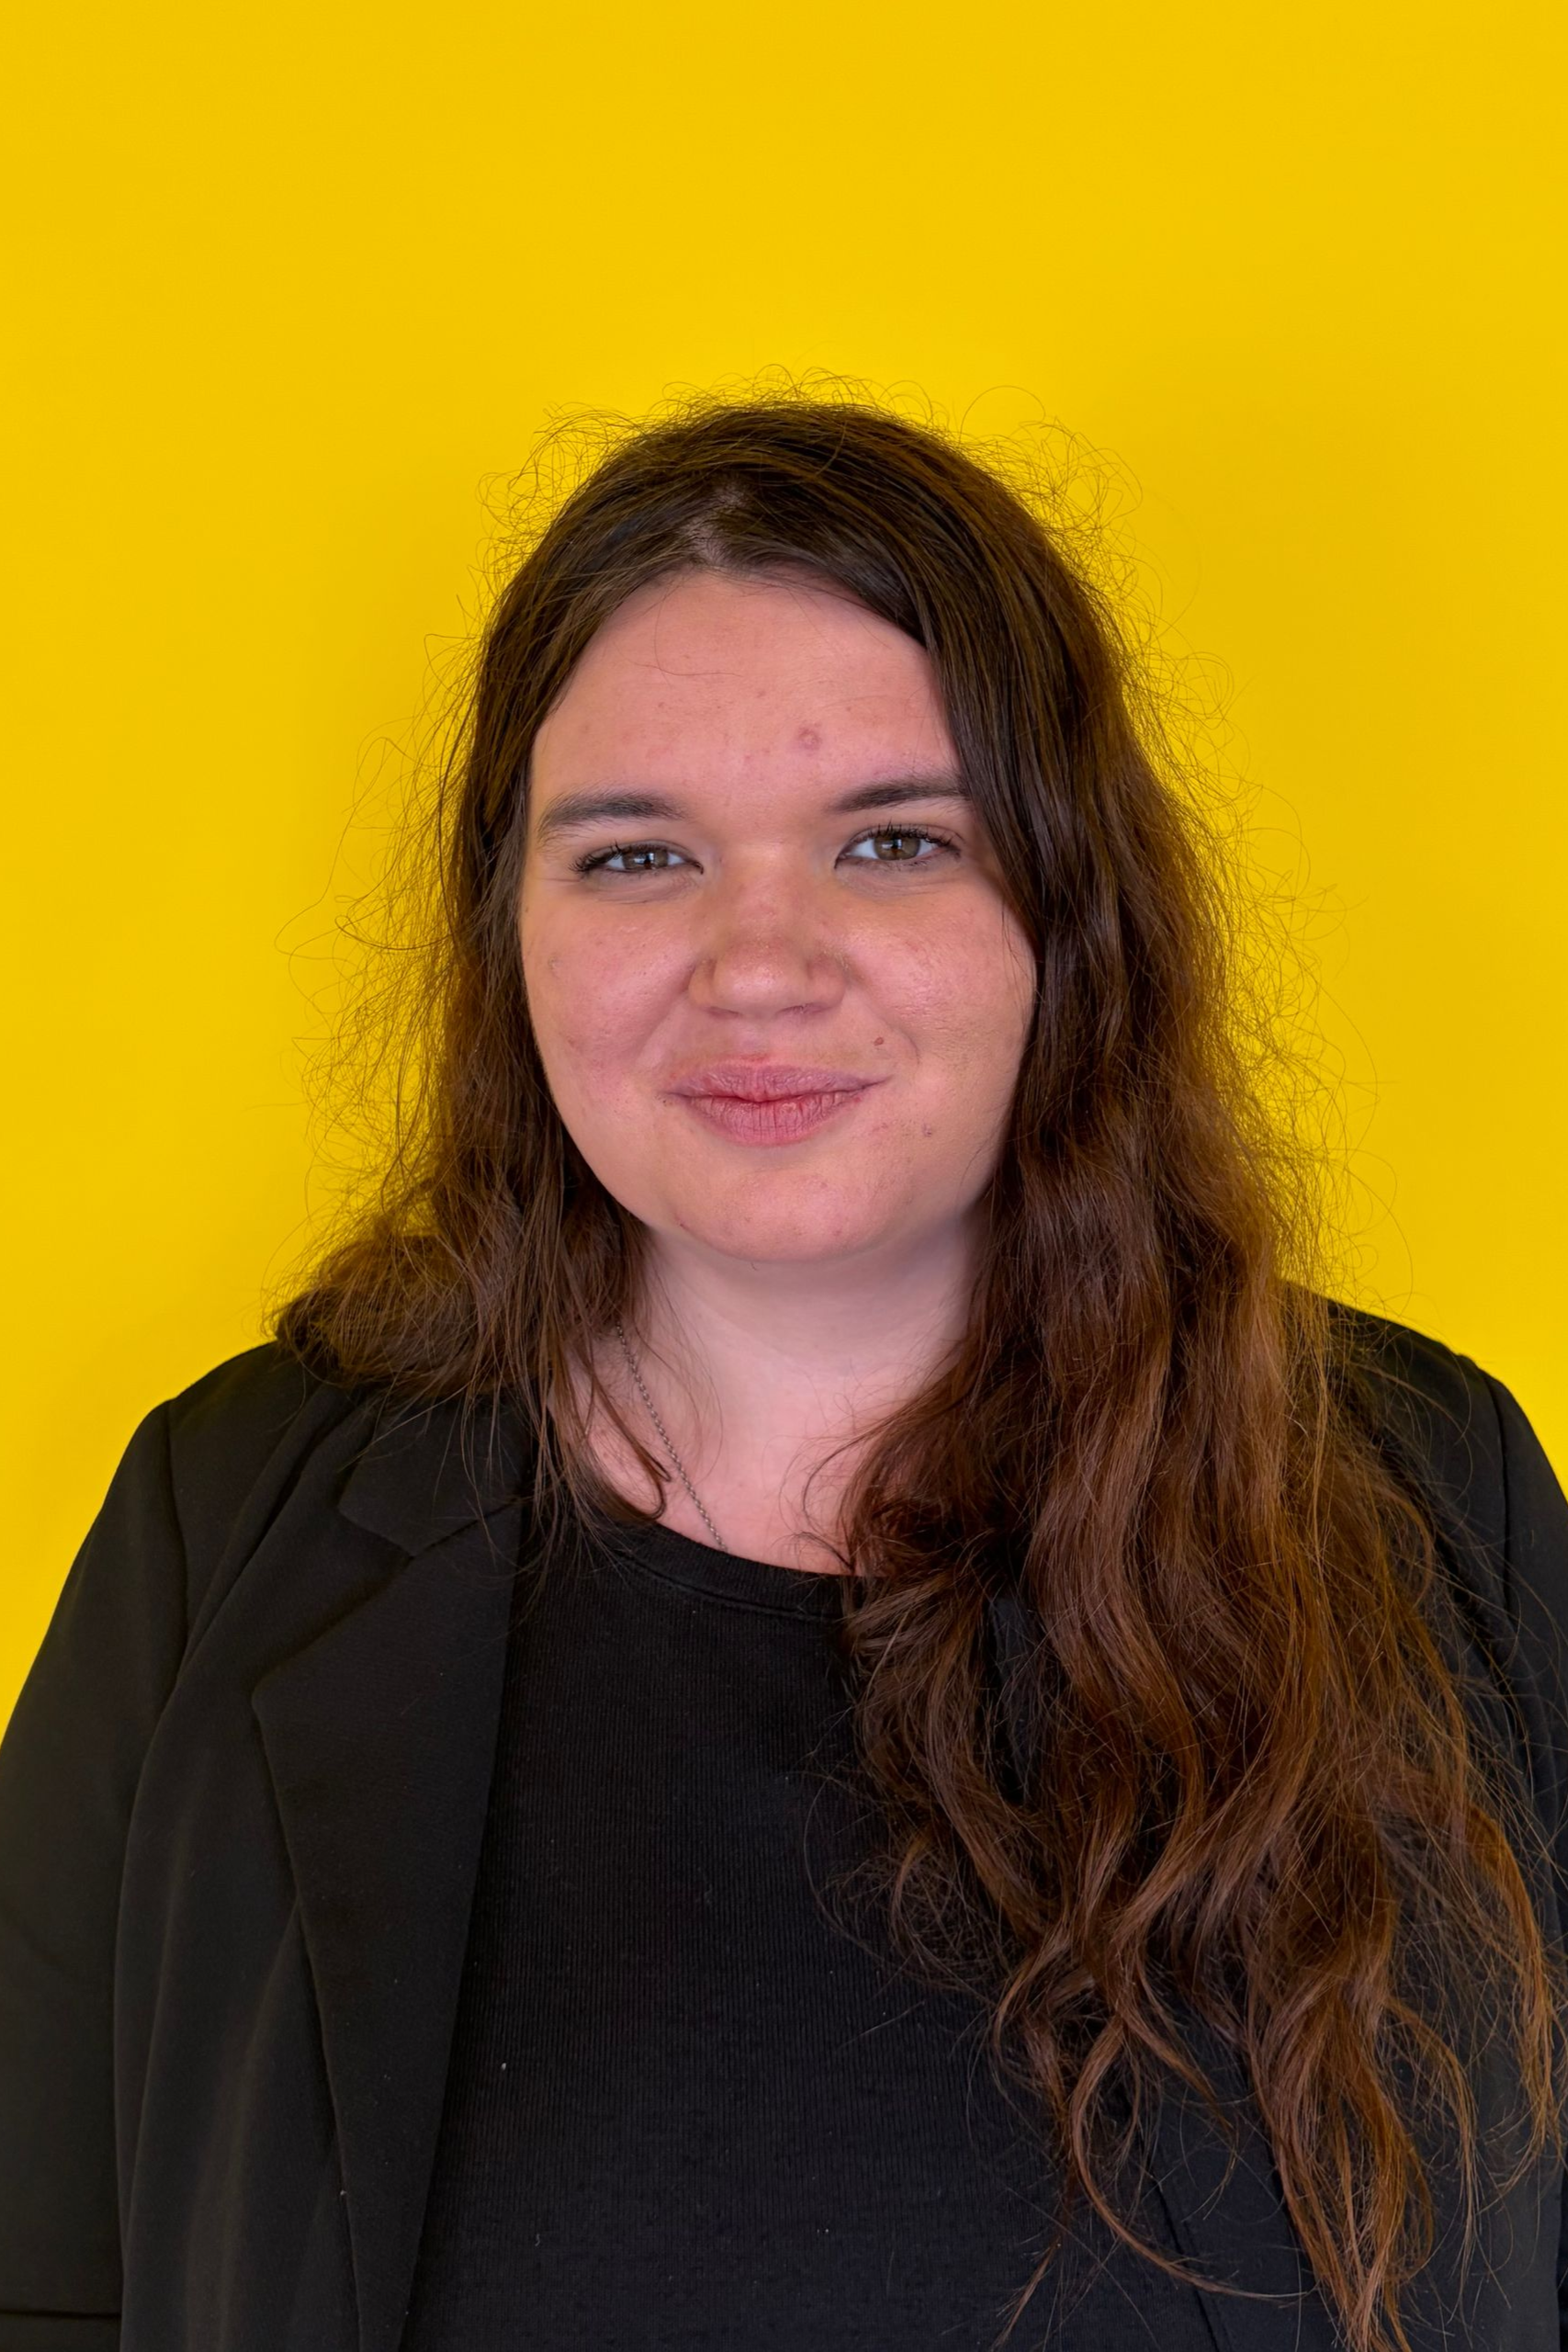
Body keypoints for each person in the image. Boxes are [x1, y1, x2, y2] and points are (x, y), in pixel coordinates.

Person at [1, 395, 1565, 2352]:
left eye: (892, 840)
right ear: (511, 930)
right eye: (638, 854)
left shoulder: (1431, 1499)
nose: (759, 961)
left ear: (1069, 916)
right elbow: (40, 2272)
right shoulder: (222, 1520)